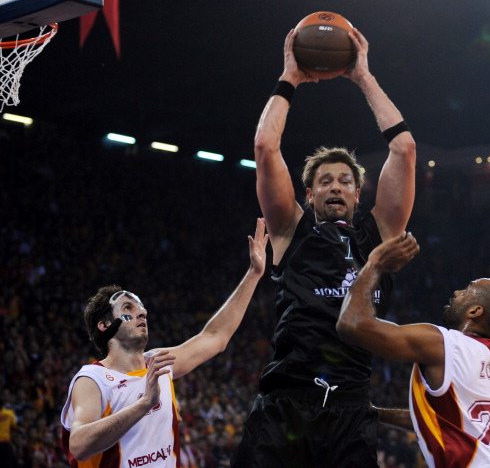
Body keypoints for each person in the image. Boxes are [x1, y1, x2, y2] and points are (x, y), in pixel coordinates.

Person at [233, 25, 416, 467]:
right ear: (309, 194)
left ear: (357, 194)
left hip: (350, 410)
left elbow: (405, 149)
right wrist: (290, 78)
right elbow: (264, 145)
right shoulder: (290, 229)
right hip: (284, 405)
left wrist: (363, 77)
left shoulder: (379, 234)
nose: (335, 186)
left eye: (345, 180)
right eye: (324, 181)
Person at [60, 219, 268, 468]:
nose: (142, 313)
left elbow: (215, 337)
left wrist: (254, 274)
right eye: (128, 307)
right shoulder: (92, 378)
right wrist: (144, 404)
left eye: (142, 308)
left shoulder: (158, 363)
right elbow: (79, 445)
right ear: (104, 325)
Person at [336, 232, 490, 468]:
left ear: (475, 311)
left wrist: (375, 263)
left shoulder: (445, 344)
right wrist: (375, 413)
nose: (457, 293)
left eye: (467, 289)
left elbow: (352, 324)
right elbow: (446, 421)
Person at [0, 399, 18, 468]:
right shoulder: (9, 413)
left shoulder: (9, 413)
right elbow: (14, 426)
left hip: (5, 444)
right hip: (5, 444)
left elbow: (14, 426)